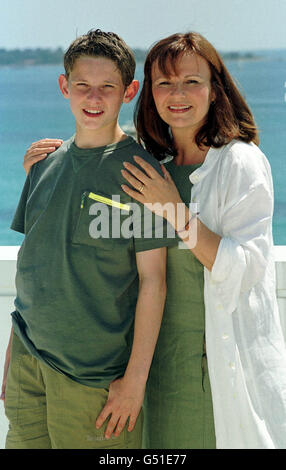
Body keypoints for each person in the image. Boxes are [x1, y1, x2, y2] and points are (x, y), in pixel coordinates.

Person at [14, 32, 286, 449]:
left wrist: (174, 210)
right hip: (153, 364)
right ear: (148, 93)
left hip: (212, 363)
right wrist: (47, 164)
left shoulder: (239, 163)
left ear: (215, 90)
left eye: (191, 82)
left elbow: (246, 268)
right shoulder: (153, 161)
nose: (177, 94)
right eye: (165, 83)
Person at [0, 29, 175, 449]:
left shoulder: (142, 174)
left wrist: (134, 382)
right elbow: (33, 267)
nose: (93, 99)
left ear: (128, 92)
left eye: (106, 88)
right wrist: (12, 355)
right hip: (29, 365)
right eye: (82, 86)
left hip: (95, 380)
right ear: (65, 87)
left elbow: (153, 283)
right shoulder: (42, 165)